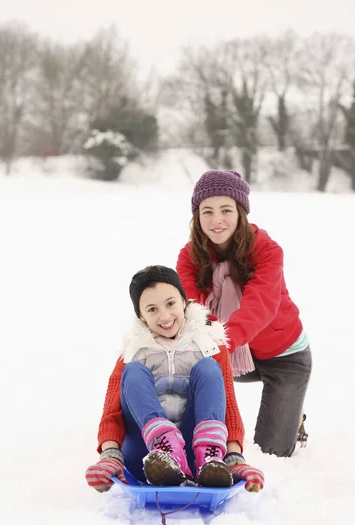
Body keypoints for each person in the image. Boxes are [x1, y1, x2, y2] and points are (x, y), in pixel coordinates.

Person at [85, 265, 264, 493]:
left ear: (184, 301)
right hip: (148, 457)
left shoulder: (210, 345)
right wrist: (110, 456)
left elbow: (227, 407)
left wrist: (235, 459)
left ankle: (210, 457)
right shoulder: (132, 352)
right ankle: (164, 444)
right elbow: (112, 413)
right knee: (134, 372)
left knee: (208, 368)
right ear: (141, 316)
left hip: (197, 454)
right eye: (152, 309)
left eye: (171, 304)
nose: (165, 316)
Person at [176, 170, 312, 458]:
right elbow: (190, 309)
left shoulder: (266, 250)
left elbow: (258, 306)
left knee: (271, 453)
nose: (216, 220)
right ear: (196, 216)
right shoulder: (190, 256)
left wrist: (220, 342)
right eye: (207, 211)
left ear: (240, 213)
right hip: (231, 352)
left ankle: (291, 414)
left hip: (283, 355)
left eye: (226, 210)